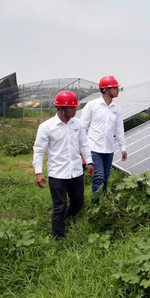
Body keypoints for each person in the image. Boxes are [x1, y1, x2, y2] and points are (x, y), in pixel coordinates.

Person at [33, 91, 95, 239]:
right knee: (59, 205)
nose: (75, 111)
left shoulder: (77, 124)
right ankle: (58, 236)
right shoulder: (46, 127)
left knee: (78, 202)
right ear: (62, 108)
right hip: (58, 174)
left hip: (76, 172)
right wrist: (38, 172)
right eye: (72, 108)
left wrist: (90, 162)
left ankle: (67, 218)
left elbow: (84, 144)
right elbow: (39, 150)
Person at [81, 75, 127, 194]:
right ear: (106, 90)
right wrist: (81, 149)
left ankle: (102, 205)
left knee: (105, 179)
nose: (117, 90)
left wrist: (123, 148)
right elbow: (82, 128)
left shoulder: (116, 108)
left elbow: (119, 129)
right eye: (115, 88)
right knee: (99, 178)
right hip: (93, 149)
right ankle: (95, 206)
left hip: (108, 149)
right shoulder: (92, 105)